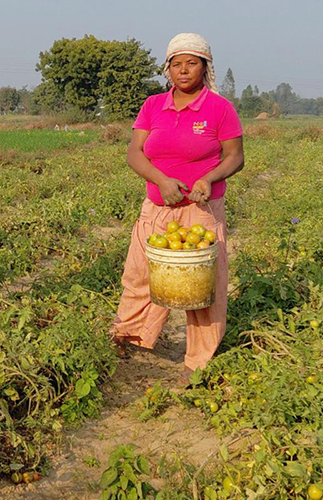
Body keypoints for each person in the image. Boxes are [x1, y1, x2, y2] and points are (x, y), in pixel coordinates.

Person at [109, 33, 244, 383]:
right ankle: (128, 339)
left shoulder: (219, 108)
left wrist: (210, 178)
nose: (183, 70)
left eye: (192, 63)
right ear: (167, 69)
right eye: (176, 64)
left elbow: (235, 157)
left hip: (200, 210)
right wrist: (161, 180)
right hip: (157, 208)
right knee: (139, 275)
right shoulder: (153, 105)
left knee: (203, 287)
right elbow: (134, 153)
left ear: (204, 67)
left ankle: (198, 361)